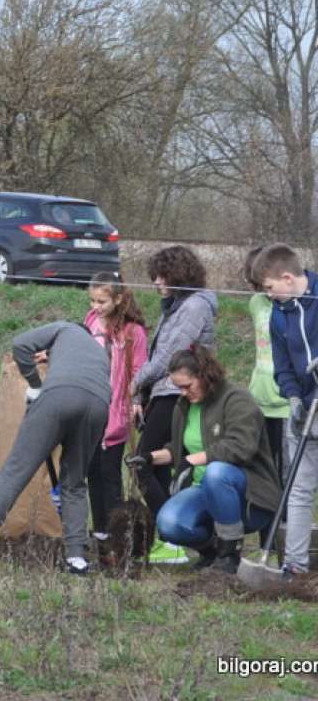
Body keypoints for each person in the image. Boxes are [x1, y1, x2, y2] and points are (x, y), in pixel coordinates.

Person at [0, 322, 110, 575]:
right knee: (74, 484)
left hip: (58, 397)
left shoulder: (64, 329)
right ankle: (77, 559)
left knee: (16, 471)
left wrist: (35, 384)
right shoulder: (100, 351)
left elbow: (20, 344)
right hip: (98, 405)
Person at [126, 345, 280, 573]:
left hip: (249, 497)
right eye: (179, 387)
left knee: (216, 472)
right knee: (168, 523)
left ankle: (229, 555)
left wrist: (194, 460)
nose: (183, 392)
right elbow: (179, 450)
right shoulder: (184, 406)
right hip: (203, 491)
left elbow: (241, 447)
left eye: (187, 386)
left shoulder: (237, 399)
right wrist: (148, 458)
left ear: (206, 375)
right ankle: (212, 551)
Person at [130, 245, 217, 564]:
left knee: (143, 463)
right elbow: (159, 353)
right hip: (163, 392)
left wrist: (136, 381)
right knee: (159, 468)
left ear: (180, 273)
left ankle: (173, 537)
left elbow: (170, 355)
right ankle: (171, 539)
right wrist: (141, 395)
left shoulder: (194, 307)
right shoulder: (177, 306)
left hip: (176, 393)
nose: (156, 282)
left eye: (161, 275)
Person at [252, 242, 318, 579]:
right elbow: (283, 367)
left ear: (288, 277)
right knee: (299, 488)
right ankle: (295, 566)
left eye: (269, 287)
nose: (267, 295)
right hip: (306, 411)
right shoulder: (278, 313)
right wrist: (292, 398)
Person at [84, 272, 148, 551]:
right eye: (92, 300)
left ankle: (114, 532)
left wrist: (136, 400)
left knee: (109, 473)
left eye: (102, 301)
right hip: (89, 406)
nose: (96, 306)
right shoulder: (90, 321)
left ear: (118, 299)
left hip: (116, 411)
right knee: (91, 470)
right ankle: (98, 530)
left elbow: (139, 370)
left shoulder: (133, 332)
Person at [243, 247, 290, 485]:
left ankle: (286, 518)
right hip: (260, 396)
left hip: (286, 401)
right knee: (264, 464)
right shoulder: (256, 303)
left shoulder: (296, 305)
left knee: (287, 465)